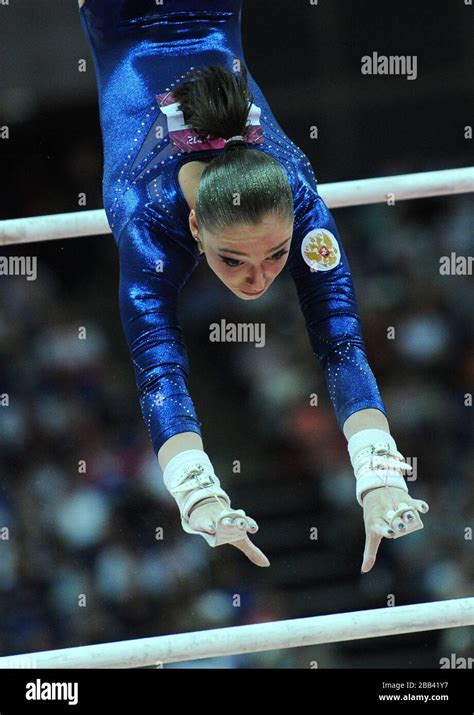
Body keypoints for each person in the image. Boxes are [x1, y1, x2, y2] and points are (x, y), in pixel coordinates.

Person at [79, 0, 429, 572]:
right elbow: (158, 366)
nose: (260, 277)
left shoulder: (301, 200)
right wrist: (197, 493)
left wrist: (379, 475)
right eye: (235, 259)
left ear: (295, 221)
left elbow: (340, 339)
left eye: (276, 253)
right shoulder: (150, 222)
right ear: (194, 227)